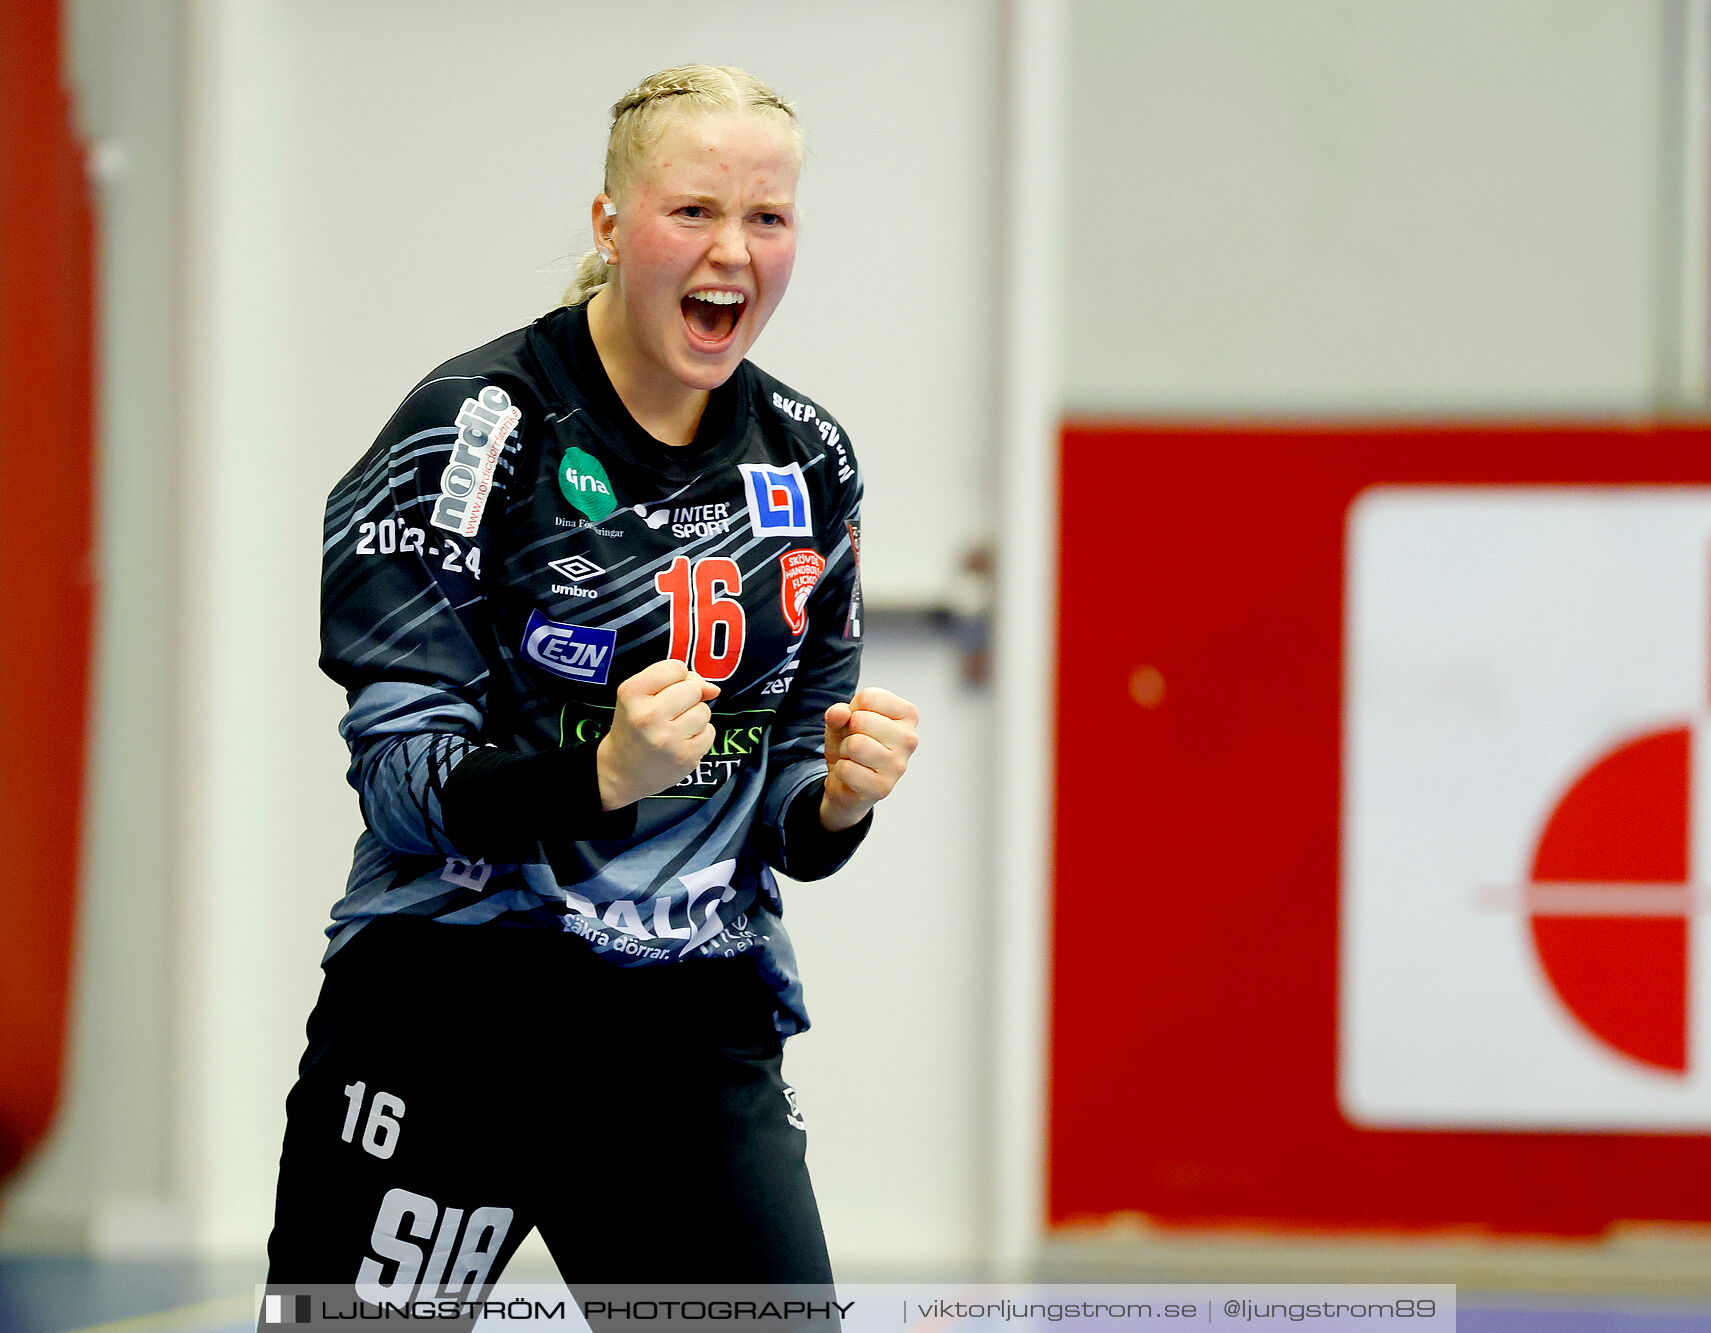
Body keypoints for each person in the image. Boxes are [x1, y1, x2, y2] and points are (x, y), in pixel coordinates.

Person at [265, 63, 918, 1299]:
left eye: (767, 219)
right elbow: (400, 782)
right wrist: (601, 773)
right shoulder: (472, 431)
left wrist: (836, 798)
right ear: (612, 223)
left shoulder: (810, 461)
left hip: (688, 1025)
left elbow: (783, 797)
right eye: (693, 212)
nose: (732, 251)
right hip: (455, 1012)